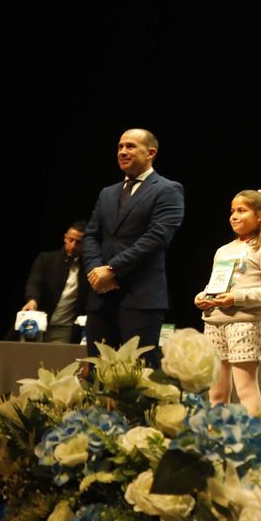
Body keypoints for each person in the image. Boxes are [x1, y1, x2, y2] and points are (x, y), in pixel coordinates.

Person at [83, 129, 185, 365]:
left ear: (150, 153)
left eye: (130, 146)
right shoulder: (107, 193)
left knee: (139, 372)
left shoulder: (168, 189)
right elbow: (91, 235)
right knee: (97, 370)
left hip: (140, 297)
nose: (122, 152)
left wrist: (112, 269)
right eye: (120, 147)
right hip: (101, 296)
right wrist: (96, 271)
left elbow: (157, 237)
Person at [195, 190, 261, 414]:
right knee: (216, 392)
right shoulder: (223, 250)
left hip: (243, 323)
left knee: (246, 389)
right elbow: (216, 285)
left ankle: (253, 439)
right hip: (213, 323)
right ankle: (218, 437)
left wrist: (237, 298)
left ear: (259, 216)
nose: (235, 216)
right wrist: (203, 297)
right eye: (232, 211)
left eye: (242, 210)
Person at [21, 221, 89, 344]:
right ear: (65, 238)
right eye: (70, 240)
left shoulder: (88, 269)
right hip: (38, 323)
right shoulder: (47, 259)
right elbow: (34, 282)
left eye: (78, 242)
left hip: (65, 329)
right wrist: (32, 300)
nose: (73, 245)